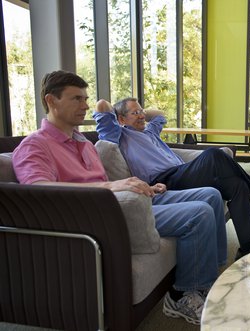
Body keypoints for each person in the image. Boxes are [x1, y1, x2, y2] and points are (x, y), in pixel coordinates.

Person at [12, 70, 227, 325]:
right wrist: (112, 187)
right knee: (198, 213)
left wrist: (143, 186)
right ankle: (182, 295)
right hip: (102, 216)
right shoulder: (34, 145)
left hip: (122, 200)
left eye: (86, 98)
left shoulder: (82, 142)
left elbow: (104, 183)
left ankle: (209, 279)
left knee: (211, 195)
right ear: (51, 100)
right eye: (77, 99)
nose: (85, 105)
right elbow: (39, 191)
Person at [93, 98, 250, 260]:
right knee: (213, 154)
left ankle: (246, 247)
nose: (142, 115)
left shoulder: (150, 130)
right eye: (135, 113)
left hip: (182, 172)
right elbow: (102, 105)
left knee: (236, 185)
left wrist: (138, 110)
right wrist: (120, 112)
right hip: (165, 181)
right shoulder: (119, 134)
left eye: (141, 111)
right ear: (120, 119)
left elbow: (159, 113)